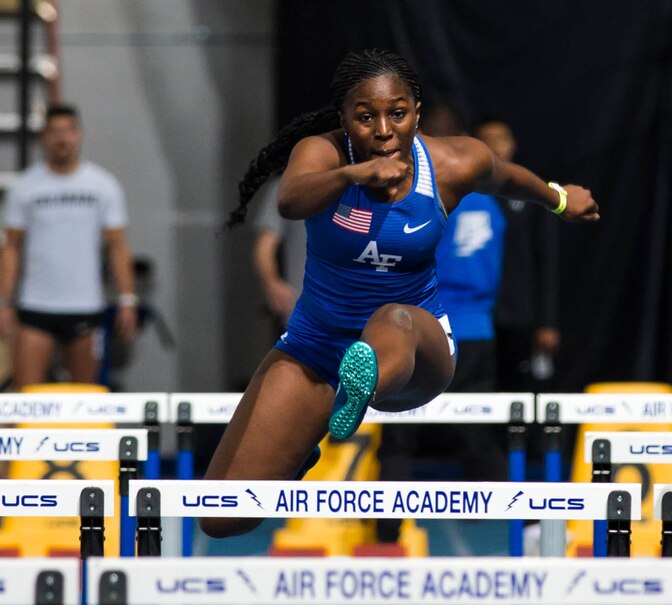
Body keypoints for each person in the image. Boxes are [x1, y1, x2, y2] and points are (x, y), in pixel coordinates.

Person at [203, 49, 598, 538]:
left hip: (416, 347)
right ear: (344, 119)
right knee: (221, 516)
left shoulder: (452, 162)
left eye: (397, 113)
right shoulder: (321, 153)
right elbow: (290, 200)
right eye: (365, 117)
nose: (384, 130)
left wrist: (561, 199)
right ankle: (317, 426)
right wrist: (356, 175)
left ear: (417, 112)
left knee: (391, 317)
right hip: (316, 346)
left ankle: (357, 386)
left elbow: (506, 176)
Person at [375, 105, 508, 541]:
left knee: (399, 429)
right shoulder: (490, 200)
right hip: (479, 330)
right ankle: (490, 519)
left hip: (430, 328)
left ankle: (388, 528)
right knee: (478, 426)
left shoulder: (429, 195)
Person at [0, 104, 137, 388]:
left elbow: (117, 246)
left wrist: (127, 299)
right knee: (26, 400)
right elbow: (11, 248)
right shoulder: (24, 187)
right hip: (36, 306)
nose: (62, 139)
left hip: (85, 306)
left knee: (84, 402)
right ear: (44, 137)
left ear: (79, 135)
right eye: (54, 132)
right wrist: (2, 302)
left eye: (68, 131)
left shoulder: (103, 185)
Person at [475, 117, 561, 391]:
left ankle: (521, 437)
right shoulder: (464, 191)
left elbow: (545, 259)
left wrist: (546, 322)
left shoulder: (531, 190)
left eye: (500, 138)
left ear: (512, 144)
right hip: (473, 314)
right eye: (485, 140)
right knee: (476, 389)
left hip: (518, 313)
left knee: (519, 389)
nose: (494, 146)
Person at [253, 178, 307, 332]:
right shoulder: (288, 187)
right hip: (302, 315)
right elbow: (265, 245)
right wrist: (272, 283)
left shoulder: (357, 189)